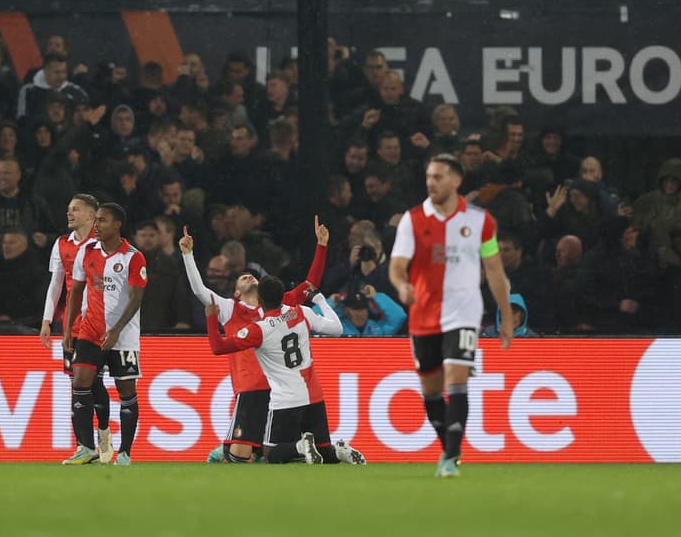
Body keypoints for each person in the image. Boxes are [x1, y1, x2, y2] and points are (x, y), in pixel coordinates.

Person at [389, 153, 514, 478]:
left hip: (464, 312)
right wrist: (402, 286)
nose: (431, 182)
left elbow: (495, 268)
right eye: (429, 176)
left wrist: (505, 313)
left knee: (457, 379)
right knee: (430, 391)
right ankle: (449, 449)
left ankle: (451, 457)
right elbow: (397, 267)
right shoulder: (412, 219)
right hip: (423, 314)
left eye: (438, 177)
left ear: (456, 181)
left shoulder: (480, 221)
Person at [181, 218, 333, 464]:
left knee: (274, 453)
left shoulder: (279, 304)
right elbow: (200, 291)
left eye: (253, 276)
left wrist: (322, 245)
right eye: (243, 278)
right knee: (239, 457)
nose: (250, 277)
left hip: (280, 391)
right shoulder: (232, 309)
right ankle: (231, 453)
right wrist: (188, 255)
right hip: (251, 388)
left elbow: (310, 285)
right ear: (237, 292)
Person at [205, 275, 363, 466]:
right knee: (324, 451)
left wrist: (212, 317)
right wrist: (320, 299)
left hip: (285, 399)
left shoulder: (259, 330)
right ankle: (339, 450)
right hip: (314, 395)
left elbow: (218, 347)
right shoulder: (301, 312)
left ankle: (300, 446)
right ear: (282, 297)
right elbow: (337, 329)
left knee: (271, 454)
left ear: (260, 301)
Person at [62, 203, 146, 466]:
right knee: (80, 381)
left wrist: (117, 330)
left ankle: (124, 453)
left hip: (124, 336)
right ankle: (86, 447)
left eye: (103, 220)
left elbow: (136, 299)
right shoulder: (87, 252)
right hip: (90, 330)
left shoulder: (133, 257)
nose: (97, 225)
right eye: (96, 220)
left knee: (126, 391)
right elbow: (75, 292)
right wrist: (68, 329)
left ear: (117, 225)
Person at [39, 194, 111, 467]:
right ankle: (85, 446)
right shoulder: (61, 244)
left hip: (99, 324)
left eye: (75, 209)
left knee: (93, 382)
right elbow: (56, 284)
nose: (69, 213)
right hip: (73, 326)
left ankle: (103, 431)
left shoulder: (104, 245)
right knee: (77, 382)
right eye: (68, 208)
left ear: (92, 216)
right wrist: (47, 320)